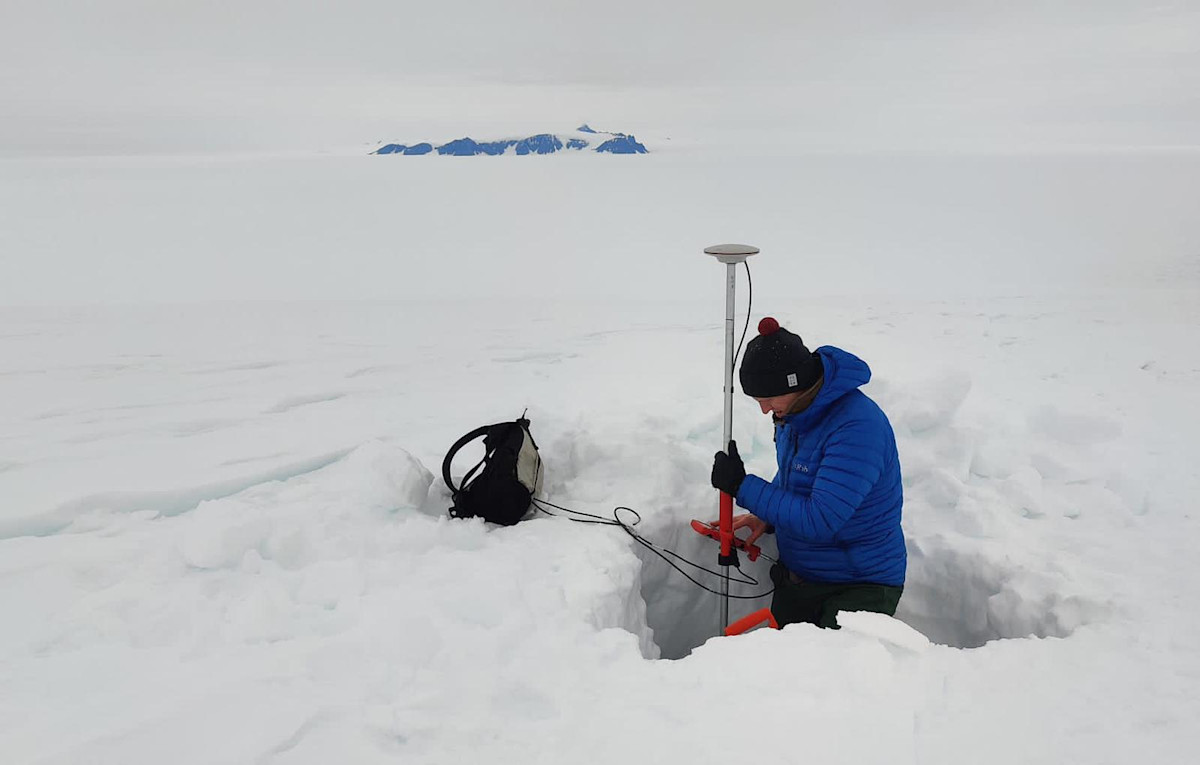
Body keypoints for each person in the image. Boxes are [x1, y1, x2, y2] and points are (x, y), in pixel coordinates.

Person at [710, 317, 906, 629]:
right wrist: (767, 515)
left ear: (794, 383)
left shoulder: (857, 428)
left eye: (768, 398)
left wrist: (743, 487)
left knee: (826, 677)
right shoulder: (797, 412)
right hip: (803, 579)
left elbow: (821, 519)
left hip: (857, 588)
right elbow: (798, 476)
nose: (764, 410)